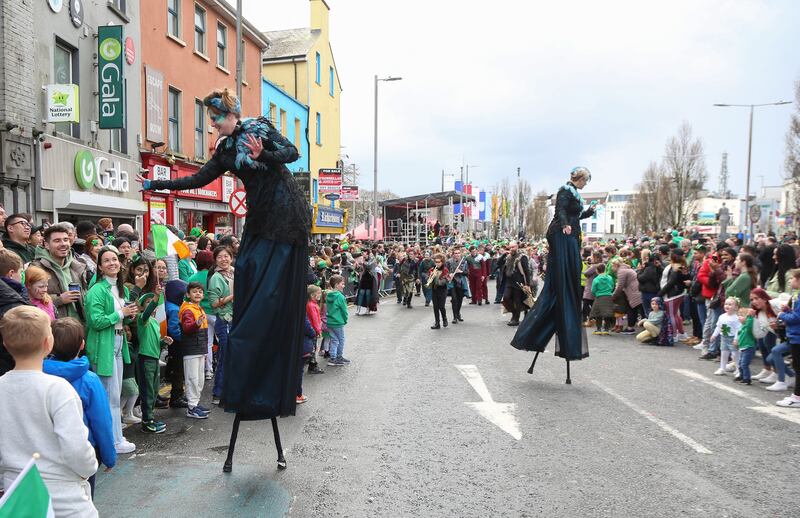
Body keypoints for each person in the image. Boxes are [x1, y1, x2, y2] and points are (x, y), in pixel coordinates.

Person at [0, 306, 99, 517]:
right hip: (64, 499)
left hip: (18, 495)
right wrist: (89, 468)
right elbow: (76, 447)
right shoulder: (58, 389)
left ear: (6, 345)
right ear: (48, 343)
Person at [512, 167, 597, 373]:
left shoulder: (575, 194)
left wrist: (588, 213)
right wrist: (566, 225)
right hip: (561, 235)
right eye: (586, 180)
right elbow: (560, 211)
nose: (586, 184)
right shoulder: (565, 191)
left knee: (572, 273)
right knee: (563, 276)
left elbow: (573, 216)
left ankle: (567, 283)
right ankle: (563, 281)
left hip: (570, 234)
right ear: (579, 179)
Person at [43, 317, 116, 496]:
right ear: (82, 344)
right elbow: (102, 422)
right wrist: (109, 457)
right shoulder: (89, 379)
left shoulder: (39, 374)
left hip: (45, 454)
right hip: (82, 454)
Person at [84, 245, 138, 454]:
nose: (112, 263)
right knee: (110, 396)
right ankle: (113, 442)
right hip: (102, 347)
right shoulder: (97, 289)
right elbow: (95, 321)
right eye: (106, 260)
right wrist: (121, 314)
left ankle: (116, 437)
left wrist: (128, 314)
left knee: (114, 394)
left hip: (116, 343)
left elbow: (118, 317)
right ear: (99, 266)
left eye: (114, 259)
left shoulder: (118, 287)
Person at [31, 224, 88, 321]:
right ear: (47, 245)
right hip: (54, 328)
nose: (63, 244)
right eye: (57, 241)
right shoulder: (36, 268)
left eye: (66, 240)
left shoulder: (78, 265)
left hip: (79, 326)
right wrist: (59, 299)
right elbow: (30, 299)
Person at [180, 282, 211, 419]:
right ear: (188, 294)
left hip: (199, 349)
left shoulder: (198, 308)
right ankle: (191, 407)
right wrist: (196, 323)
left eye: (200, 291)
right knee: (192, 379)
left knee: (199, 379)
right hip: (191, 350)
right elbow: (187, 328)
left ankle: (195, 403)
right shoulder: (188, 310)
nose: (198, 293)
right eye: (194, 291)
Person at [775, 269, 800, 408]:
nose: (790, 281)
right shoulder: (797, 295)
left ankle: (797, 397)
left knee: (798, 367)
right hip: (795, 335)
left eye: (792, 278)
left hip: (797, 336)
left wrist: (782, 315)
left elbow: (797, 318)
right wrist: (789, 310)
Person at [164, 280, 188, 408]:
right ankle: (176, 396)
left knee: (176, 369)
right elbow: (174, 328)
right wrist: (183, 339)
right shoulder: (174, 309)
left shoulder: (170, 305)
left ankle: (177, 394)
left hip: (174, 343)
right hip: (177, 343)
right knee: (179, 370)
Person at [710, 297, 742, 377]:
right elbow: (718, 327)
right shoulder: (722, 316)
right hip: (724, 338)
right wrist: (714, 335)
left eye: (730, 304)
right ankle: (722, 368)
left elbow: (739, 329)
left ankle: (739, 369)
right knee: (724, 353)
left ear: (736, 307)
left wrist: (736, 339)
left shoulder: (736, 318)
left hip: (732, 339)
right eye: (726, 304)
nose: (727, 306)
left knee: (735, 355)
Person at [325, 275, 350, 366]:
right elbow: (344, 310)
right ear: (336, 285)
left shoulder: (328, 295)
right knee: (341, 340)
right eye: (342, 284)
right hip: (338, 322)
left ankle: (333, 358)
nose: (344, 286)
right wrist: (345, 320)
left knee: (334, 340)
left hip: (330, 321)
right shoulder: (340, 296)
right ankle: (338, 357)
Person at [590, 263, 615, 335]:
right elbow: (612, 286)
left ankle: (598, 329)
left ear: (597, 270)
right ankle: (606, 329)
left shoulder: (596, 279)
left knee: (598, 313)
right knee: (607, 313)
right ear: (605, 269)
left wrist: (596, 294)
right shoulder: (610, 277)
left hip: (599, 297)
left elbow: (593, 290)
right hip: (609, 297)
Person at [428, 252, 450, 329]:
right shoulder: (432, 269)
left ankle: (445, 319)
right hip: (434, 290)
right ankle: (437, 323)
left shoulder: (445, 270)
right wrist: (430, 277)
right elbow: (429, 280)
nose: (437, 263)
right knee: (435, 307)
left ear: (442, 262)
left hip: (442, 290)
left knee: (441, 306)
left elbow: (443, 282)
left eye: (439, 262)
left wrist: (435, 278)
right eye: (436, 262)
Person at [447, 248, 468, 324]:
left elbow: (467, 273)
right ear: (453, 254)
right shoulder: (449, 261)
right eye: (455, 253)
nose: (457, 254)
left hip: (461, 282)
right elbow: (446, 271)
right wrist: (449, 274)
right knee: (454, 299)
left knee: (460, 299)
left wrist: (461, 271)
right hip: (452, 282)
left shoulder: (464, 261)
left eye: (458, 253)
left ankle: (458, 313)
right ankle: (454, 317)